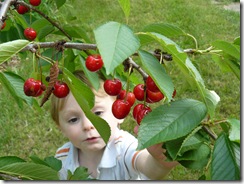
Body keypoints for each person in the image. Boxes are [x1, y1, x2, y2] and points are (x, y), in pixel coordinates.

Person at [50, 70, 178, 180]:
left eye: (98, 113)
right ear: (60, 127)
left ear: (119, 114)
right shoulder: (62, 157)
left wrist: (160, 162)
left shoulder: (124, 147)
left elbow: (147, 167)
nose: (88, 125)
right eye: (73, 120)